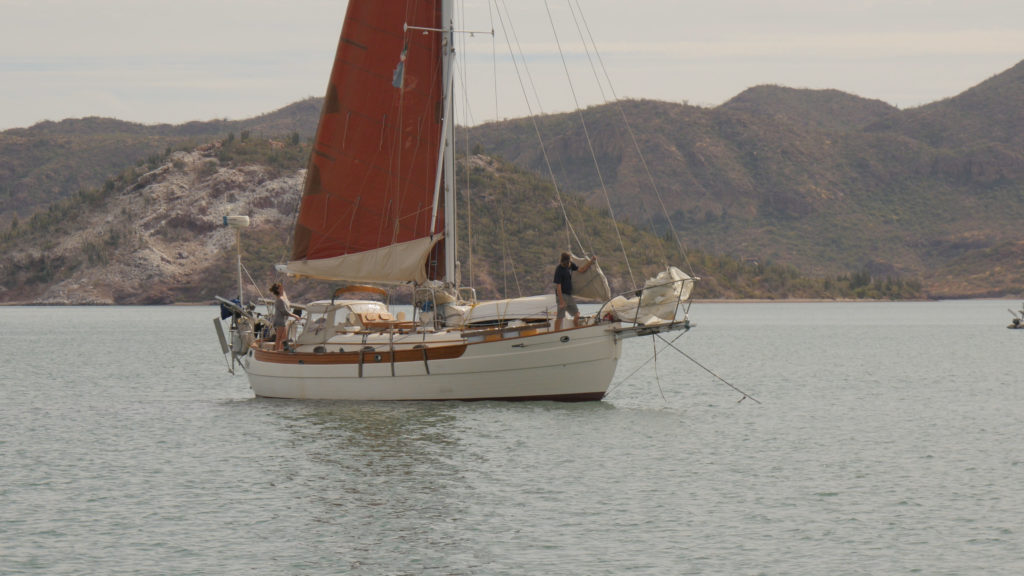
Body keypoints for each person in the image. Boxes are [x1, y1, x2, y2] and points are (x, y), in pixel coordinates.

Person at [553, 252, 595, 330]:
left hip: (569, 295)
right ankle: (555, 333)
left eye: (568, 262)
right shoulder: (559, 269)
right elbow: (558, 286)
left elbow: (582, 270)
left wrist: (591, 261)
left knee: (577, 314)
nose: (566, 264)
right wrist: (561, 301)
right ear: (562, 261)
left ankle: (577, 329)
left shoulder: (570, 265)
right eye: (564, 263)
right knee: (560, 317)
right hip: (561, 295)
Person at [269, 282, 300, 351]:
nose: (283, 289)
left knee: (283, 338)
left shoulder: (280, 299)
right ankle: (277, 351)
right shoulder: (279, 300)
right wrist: (295, 316)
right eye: (281, 288)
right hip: (280, 321)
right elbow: (284, 311)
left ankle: (281, 350)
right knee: (279, 338)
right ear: (278, 290)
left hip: (281, 321)